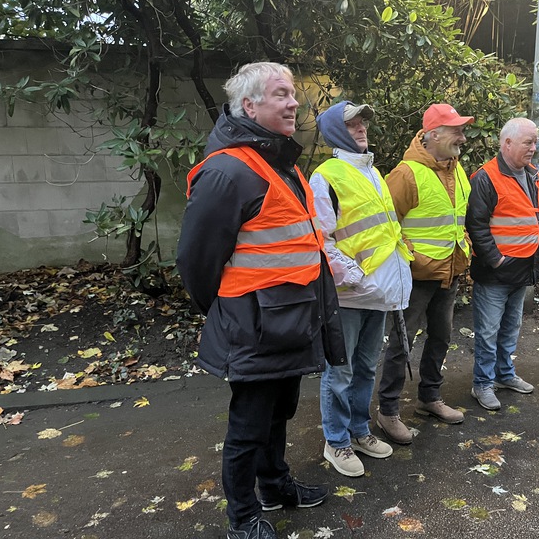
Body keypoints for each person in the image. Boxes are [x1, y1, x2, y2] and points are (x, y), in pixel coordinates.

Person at [176, 62, 347, 539]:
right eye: (281, 94)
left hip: (289, 322)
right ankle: (243, 517)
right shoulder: (229, 171)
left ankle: (275, 487)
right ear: (248, 106)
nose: (294, 102)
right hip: (255, 325)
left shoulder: (280, 164)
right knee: (249, 426)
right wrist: (229, 309)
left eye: (293, 94)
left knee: (278, 414)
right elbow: (196, 262)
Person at [310, 101, 413, 476]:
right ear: (337, 131)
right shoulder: (326, 177)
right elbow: (322, 239)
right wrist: (353, 276)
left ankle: (358, 431)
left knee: (366, 367)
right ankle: (335, 442)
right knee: (340, 370)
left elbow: (381, 230)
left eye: (363, 122)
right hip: (350, 294)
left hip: (377, 294)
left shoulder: (372, 171)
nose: (362, 129)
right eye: (352, 124)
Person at [375, 103, 473, 445]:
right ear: (433, 135)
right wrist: (407, 258)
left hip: (449, 271)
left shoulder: (457, 169)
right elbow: (386, 225)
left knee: (441, 337)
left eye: (462, 129)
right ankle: (387, 411)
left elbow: (456, 219)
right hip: (416, 277)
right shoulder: (406, 174)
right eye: (456, 130)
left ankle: (429, 398)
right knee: (403, 343)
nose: (463, 136)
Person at [466, 117, 539, 411]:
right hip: (496, 273)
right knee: (488, 332)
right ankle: (483, 384)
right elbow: (476, 226)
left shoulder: (534, 176)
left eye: (535, 141)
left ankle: (504, 375)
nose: (534, 148)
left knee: (510, 328)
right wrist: (496, 261)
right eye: (528, 142)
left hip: (523, 268)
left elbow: (537, 220)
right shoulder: (485, 178)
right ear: (507, 143)